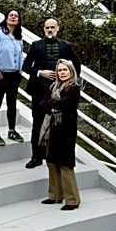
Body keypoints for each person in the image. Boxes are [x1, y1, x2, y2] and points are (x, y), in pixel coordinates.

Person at [22, 18, 81, 169]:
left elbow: (76, 64)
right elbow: (26, 66)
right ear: (44, 29)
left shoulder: (65, 46)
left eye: (52, 27)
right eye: (47, 27)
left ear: (58, 28)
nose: (50, 30)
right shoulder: (36, 45)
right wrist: (41, 72)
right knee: (37, 124)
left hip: (60, 93)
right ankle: (36, 157)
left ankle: (53, 156)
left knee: (59, 125)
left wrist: (70, 83)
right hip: (39, 92)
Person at [39, 59, 81, 210]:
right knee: (51, 161)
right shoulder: (53, 86)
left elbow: (67, 105)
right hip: (52, 129)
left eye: (65, 70)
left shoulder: (74, 88)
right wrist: (52, 103)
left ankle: (72, 200)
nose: (62, 73)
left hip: (66, 131)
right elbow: (42, 104)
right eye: (60, 70)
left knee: (65, 164)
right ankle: (55, 195)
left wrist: (51, 103)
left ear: (71, 72)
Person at [0, 9, 25, 146]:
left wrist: (20, 69)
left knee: (12, 104)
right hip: (0, 75)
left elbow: (21, 55)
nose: (14, 17)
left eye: (16, 16)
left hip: (14, 76)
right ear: (6, 18)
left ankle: (11, 130)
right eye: (11, 15)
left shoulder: (18, 37)